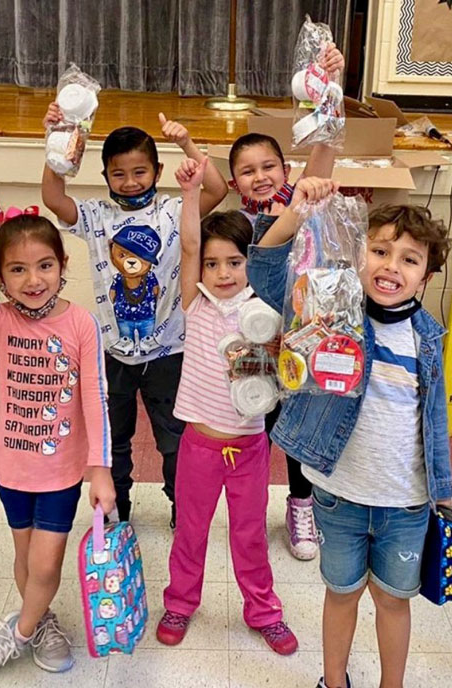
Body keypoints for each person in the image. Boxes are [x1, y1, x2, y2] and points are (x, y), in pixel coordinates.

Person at [247, 180, 452, 688]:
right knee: (341, 594)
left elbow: (432, 425)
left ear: (426, 277)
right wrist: (298, 211)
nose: (391, 266)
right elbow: (266, 269)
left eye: (409, 260)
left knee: (393, 600)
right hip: (338, 495)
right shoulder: (330, 313)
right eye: (380, 251)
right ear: (359, 256)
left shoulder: (428, 337)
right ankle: (333, 681)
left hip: (405, 503)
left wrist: (442, 492)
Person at [0, 209, 115, 680]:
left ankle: (16, 633)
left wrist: (100, 468)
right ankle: (42, 623)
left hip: (61, 468)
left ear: (61, 267)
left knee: (46, 558)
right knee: (25, 554)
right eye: (17, 268)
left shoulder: (81, 324)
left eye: (45, 265)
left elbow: (95, 397)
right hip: (10, 463)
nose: (33, 279)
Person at [42, 108, 229, 527]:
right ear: (106, 176)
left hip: (172, 352)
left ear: (158, 170)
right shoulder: (96, 217)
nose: (130, 182)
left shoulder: (173, 212)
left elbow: (216, 188)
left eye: (140, 171)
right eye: (119, 174)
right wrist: (61, 141)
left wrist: (186, 142)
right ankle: (115, 508)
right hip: (112, 355)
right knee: (114, 440)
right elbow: (54, 199)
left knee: (176, 438)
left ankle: (184, 507)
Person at [155, 158, 298, 655]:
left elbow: (283, 368)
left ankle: (264, 611)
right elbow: (190, 243)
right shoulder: (195, 305)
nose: (221, 273)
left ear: (249, 266)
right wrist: (192, 191)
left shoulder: (264, 314)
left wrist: (302, 205)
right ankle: (180, 602)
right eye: (213, 264)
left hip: (251, 449)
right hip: (198, 445)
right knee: (190, 532)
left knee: (250, 535)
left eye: (233, 263)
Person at [226, 42, 345, 559]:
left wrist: (331, 93)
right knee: (252, 424)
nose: (261, 176)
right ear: (235, 182)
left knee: (295, 423)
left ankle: (301, 505)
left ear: (284, 169)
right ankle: (244, 506)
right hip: (250, 340)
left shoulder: (303, 199)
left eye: (269, 165)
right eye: (248, 170)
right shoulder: (231, 224)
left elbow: (324, 151)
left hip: (300, 332)